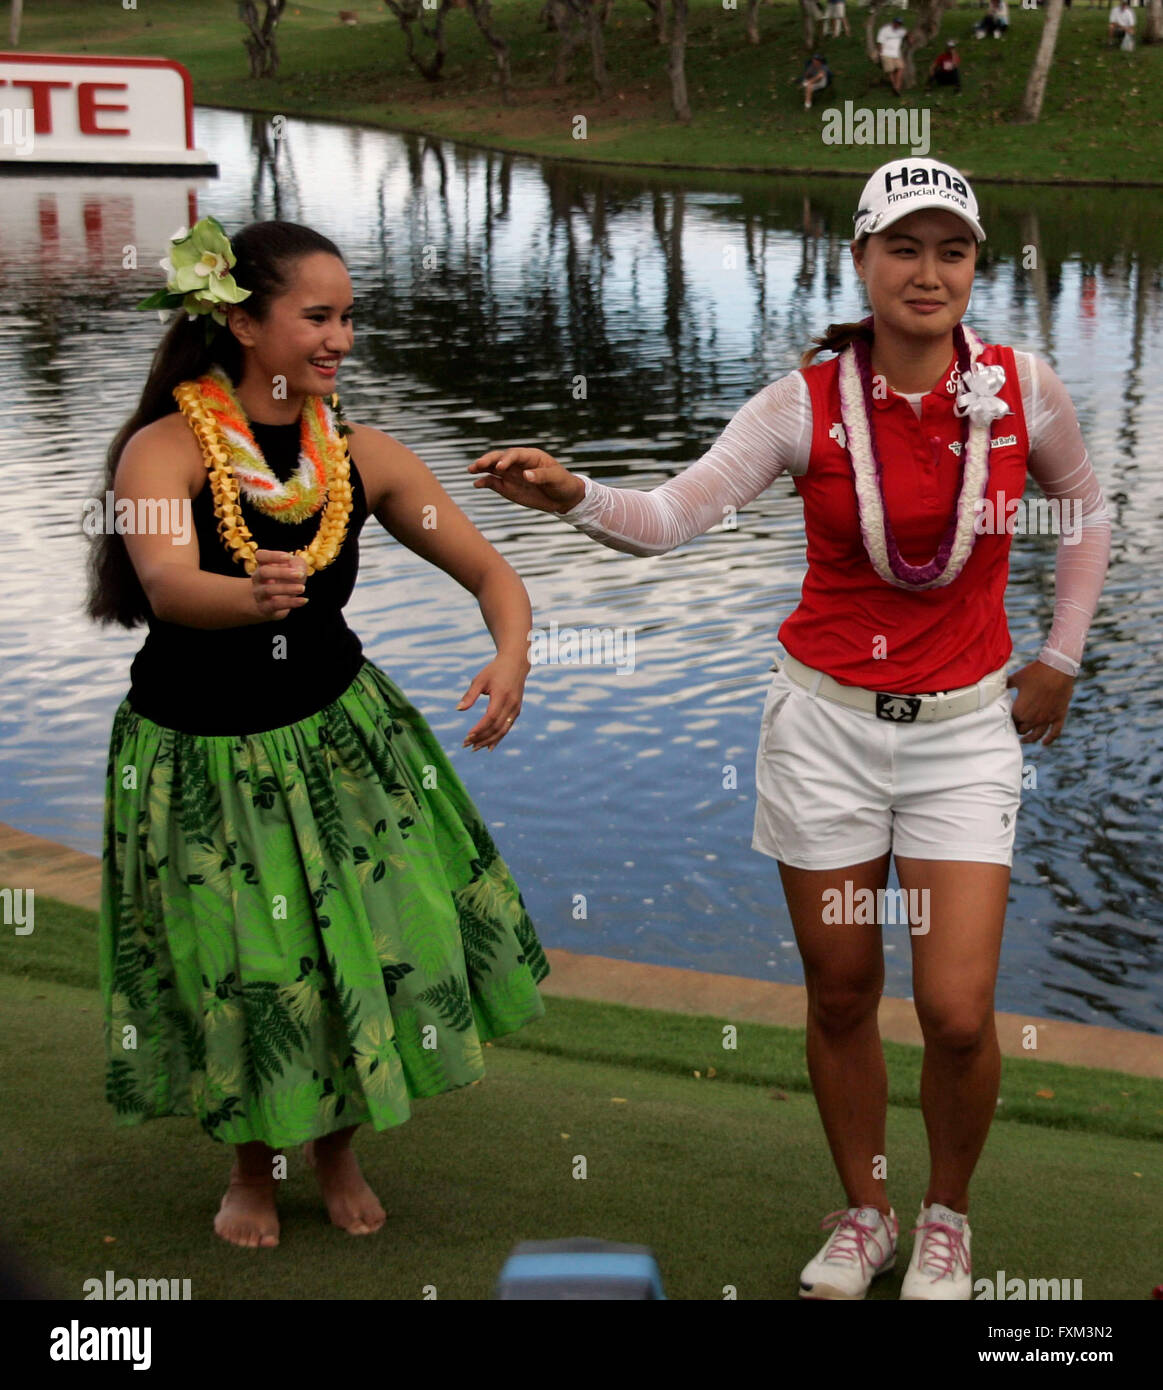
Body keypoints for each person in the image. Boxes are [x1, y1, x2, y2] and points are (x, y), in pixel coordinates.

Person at [467, 157, 1111, 1300]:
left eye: (949, 250)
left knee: (958, 1012)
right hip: (822, 726)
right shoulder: (800, 401)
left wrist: (1057, 657)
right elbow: (671, 518)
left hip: (963, 731)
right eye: (901, 248)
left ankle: (945, 1217)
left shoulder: (1025, 389)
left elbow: (1082, 514)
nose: (926, 272)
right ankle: (863, 1211)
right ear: (859, 260)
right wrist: (574, 497)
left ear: (974, 266)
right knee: (840, 989)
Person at [86, 217, 550, 1250]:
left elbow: (490, 572)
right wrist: (250, 595)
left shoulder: (361, 455)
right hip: (196, 750)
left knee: (365, 945)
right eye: (318, 316)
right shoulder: (161, 450)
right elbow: (165, 580)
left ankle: (337, 1146)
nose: (340, 337)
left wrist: (509, 653)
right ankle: (252, 1168)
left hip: (336, 740)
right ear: (244, 323)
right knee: (244, 960)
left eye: (348, 317)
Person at [876, 16, 908, 95]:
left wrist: (910, 38)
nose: (897, 25)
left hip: (896, 54)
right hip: (886, 53)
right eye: (896, 23)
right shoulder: (884, 30)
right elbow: (880, 42)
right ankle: (895, 87)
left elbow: (907, 35)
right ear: (893, 23)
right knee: (890, 71)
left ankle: (897, 87)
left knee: (901, 68)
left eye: (899, 24)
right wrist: (880, 53)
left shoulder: (902, 31)